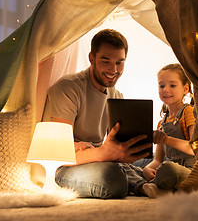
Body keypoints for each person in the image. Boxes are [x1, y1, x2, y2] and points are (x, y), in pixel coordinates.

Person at [42, 29, 152, 199]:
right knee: (112, 178)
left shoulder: (116, 95)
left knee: (154, 163)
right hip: (66, 166)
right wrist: (103, 153)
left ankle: (140, 178)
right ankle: (140, 182)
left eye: (119, 63)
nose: (113, 70)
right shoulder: (69, 88)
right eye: (106, 61)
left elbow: (111, 148)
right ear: (92, 58)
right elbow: (60, 153)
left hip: (98, 158)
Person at [141, 63, 197, 196]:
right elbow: (158, 160)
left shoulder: (188, 112)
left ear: (185, 89)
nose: (165, 89)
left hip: (190, 170)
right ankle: (154, 184)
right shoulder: (162, 122)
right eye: (161, 86)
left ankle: (154, 186)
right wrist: (147, 170)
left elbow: (194, 148)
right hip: (167, 165)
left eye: (172, 85)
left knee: (168, 169)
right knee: (135, 166)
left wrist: (167, 139)